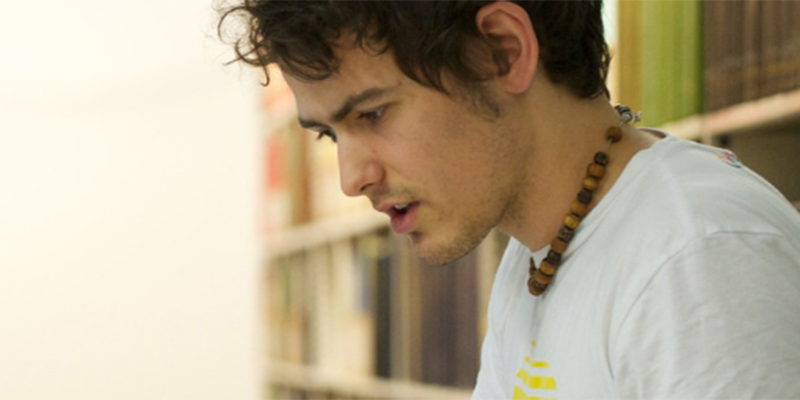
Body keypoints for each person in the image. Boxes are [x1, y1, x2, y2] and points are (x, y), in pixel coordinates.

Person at [219, 0, 800, 398]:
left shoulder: (700, 257)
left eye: (372, 113)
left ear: (502, 51)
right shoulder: (536, 253)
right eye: (329, 134)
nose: (352, 177)